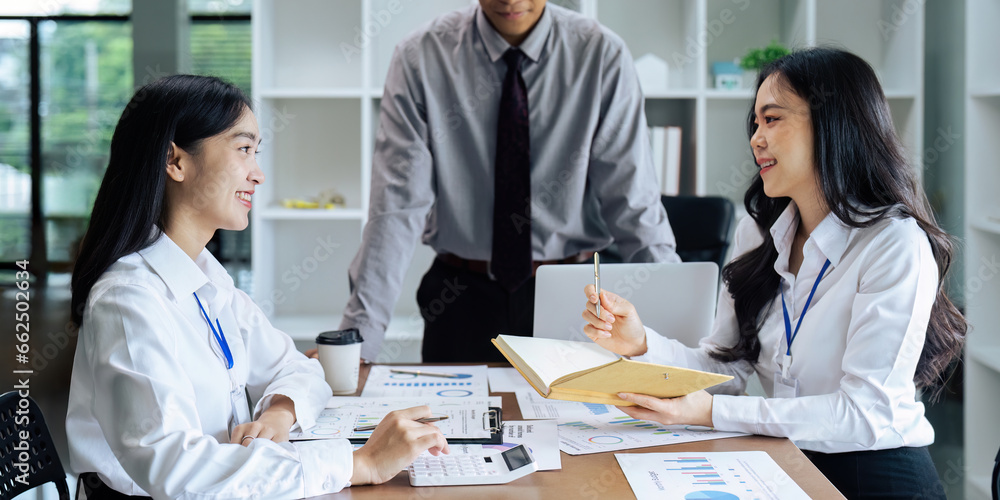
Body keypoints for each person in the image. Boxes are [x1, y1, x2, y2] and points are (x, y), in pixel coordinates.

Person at [581, 47, 966, 499]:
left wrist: (710, 414)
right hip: (783, 458)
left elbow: (863, 414)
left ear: (833, 126)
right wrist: (641, 344)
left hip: (874, 472)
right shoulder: (758, 232)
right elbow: (726, 367)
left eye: (773, 119)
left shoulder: (893, 244)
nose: (756, 139)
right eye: (756, 122)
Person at [66, 75, 448, 499]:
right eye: (244, 149)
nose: (258, 174)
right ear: (175, 162)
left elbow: (299, 369)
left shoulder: (207, 280)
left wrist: (280, 414)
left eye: (256, 152)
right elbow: (176, 468)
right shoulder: (128, 301)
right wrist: (359, 463)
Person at [339, 0, 681, 363]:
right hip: (459, 298)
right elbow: (396, 207)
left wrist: (678, 343)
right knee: (449, 419)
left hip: (577, 298)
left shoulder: (601, 54)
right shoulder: (420, 56)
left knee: (576, 419)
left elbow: (633, 203)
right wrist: (355, 348)